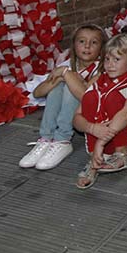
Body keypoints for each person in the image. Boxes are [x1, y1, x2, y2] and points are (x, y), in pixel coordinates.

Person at [19, 24, 106, 171]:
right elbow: (37, 93)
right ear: (73, 45)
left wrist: (66, 74)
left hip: (95, 112)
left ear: (101, 49)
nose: (87, 46)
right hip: (75, 109)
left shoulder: (101, 70)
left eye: (94, 42)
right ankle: (46, 138)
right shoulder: (67, 65)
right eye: (82, 41)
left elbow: (85, 96)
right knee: (58, 85)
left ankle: (62, 140)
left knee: (70, 86)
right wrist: (59, 79)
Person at [74, 33, 127, 189]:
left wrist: (100, 143)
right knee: (90, 97)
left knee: (113, 97)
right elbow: (76, 117)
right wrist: (92, 128)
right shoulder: (99, 79)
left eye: (117, 59)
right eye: (107, 59)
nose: (110, 64)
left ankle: (121, 154)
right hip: (102, 132)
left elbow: (126, 114)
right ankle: (96, 159)